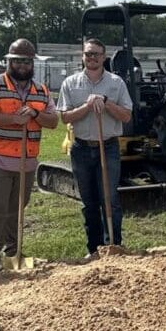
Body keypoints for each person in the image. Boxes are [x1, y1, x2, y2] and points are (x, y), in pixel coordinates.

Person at [0, 38, 59, 273]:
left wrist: (34, 114)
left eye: (27, 61)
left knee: (17, 207)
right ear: (9, 61)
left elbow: (53, 121)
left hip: (26, 160)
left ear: (33, 63)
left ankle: (14, 252)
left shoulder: (41, 91)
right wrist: (13, 119)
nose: (22, 65)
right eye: (18, 60)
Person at [57, 39, 133, 257]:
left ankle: (114, 246)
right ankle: (94, 249)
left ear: (104, 56)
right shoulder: (71, 83)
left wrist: (106, 102)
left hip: (107, 147)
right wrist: (87, 106)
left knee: (109, 199)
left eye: (96, 54)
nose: (92, 58)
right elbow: (65, 117)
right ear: (83, 56)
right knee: (88, 201)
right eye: (88, 54)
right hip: (81, 148)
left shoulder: (116, 83)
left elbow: (126, 115)